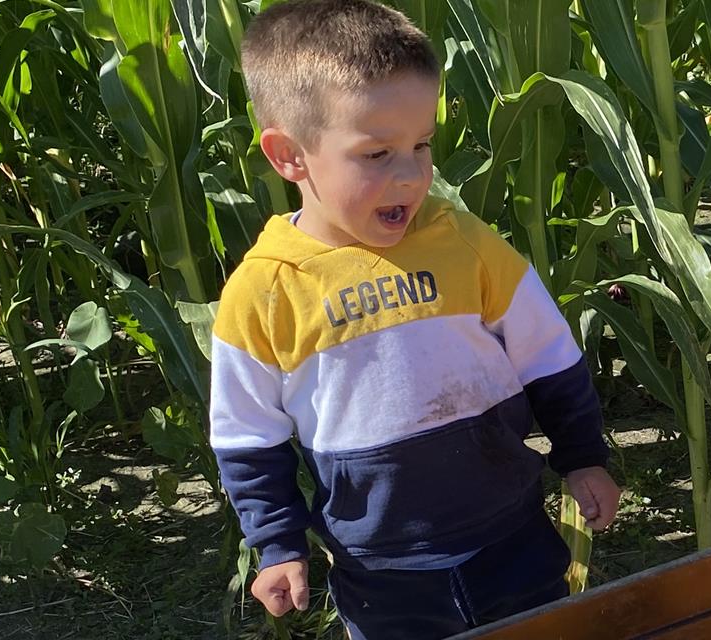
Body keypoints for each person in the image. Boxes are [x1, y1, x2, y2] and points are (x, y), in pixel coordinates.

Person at [208, 1, 621, 636]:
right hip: (380, 573)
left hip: (513, 536)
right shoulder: (264, 293)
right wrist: (279, 545)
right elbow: (247, 437)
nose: (411, 174)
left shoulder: (466, 243)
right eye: (376, 154)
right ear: (289, 155)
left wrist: (583, 458)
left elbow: (549, 356)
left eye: (421, 144)